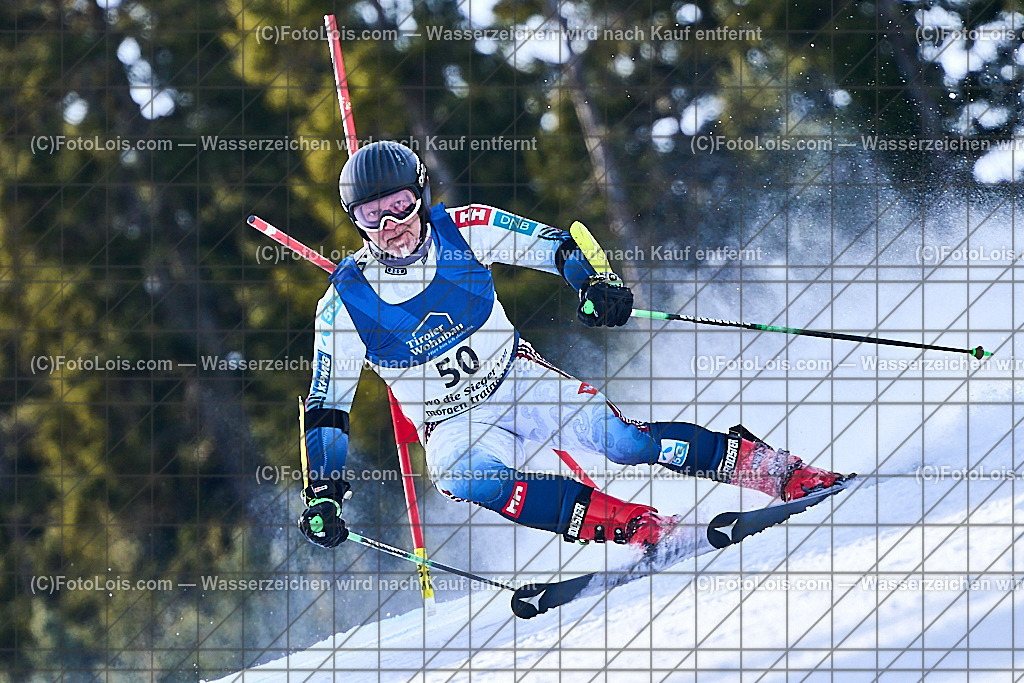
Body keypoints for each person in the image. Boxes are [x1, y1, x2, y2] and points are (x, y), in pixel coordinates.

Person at [297, 141, 850, 550]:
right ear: (357, 221)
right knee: (465, 477)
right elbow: (327, 408)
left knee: (621, 442)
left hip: (516, 378)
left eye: (399, 205)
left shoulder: (463, 228)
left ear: (420, 196)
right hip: (450, 421)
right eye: (373, 215)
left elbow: (557, 245)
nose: (392, 224)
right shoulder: (343, 304)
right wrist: (323, 489)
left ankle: (771, 469)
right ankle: (626, 523)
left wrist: (595, 283)